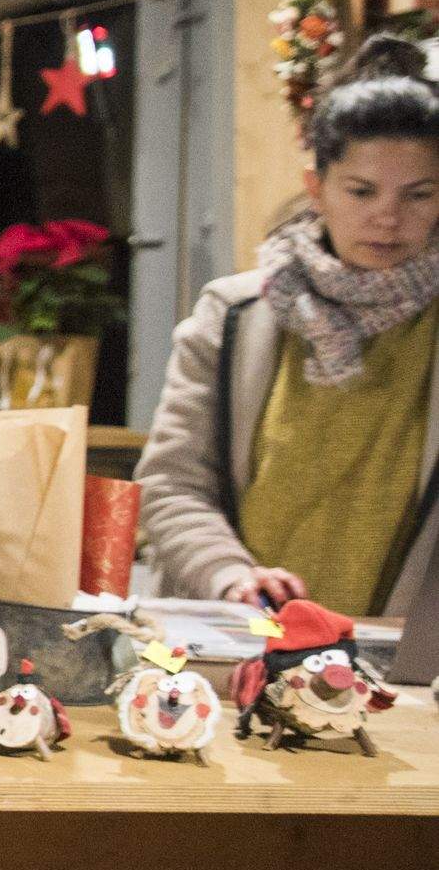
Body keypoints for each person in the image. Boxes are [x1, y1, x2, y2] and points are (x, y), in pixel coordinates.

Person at [140, 35, 439, 617]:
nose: (388, 216)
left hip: (400, 661)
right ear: (316, 187)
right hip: (238, 644)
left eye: (419, 195)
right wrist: (229, 574)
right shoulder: (233, 316)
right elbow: (173, 484)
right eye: (361, 191)